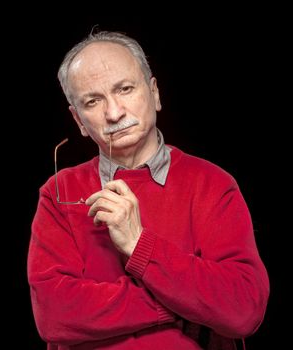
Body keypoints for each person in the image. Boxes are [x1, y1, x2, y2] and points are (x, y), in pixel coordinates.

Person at [27, 30, 269, 350]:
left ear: (154, 93)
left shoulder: (213, 184)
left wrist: (139, 244)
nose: (114, 113)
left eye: (125, 89)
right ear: (79, 121)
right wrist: (178, 306)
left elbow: (242, 309)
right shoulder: (58, 193)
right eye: (93, 101)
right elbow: (54, 315)